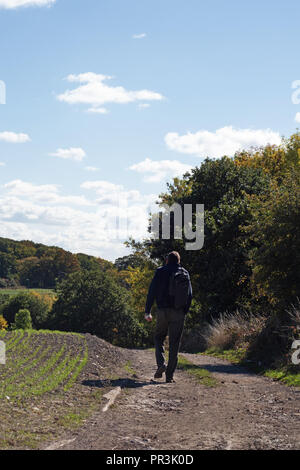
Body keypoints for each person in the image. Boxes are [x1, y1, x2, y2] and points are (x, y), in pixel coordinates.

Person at [144, 251, 192, 383]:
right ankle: (169, 376)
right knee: (175, 343)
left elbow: (151, 291)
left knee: (159, 338)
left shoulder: (160, 271)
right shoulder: (185, 273)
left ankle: (161, 364)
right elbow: (190, 295)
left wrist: (147, 311)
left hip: (162, 311)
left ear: (167, 261)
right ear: (179, 261)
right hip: (179, 312)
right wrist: (184, 311)